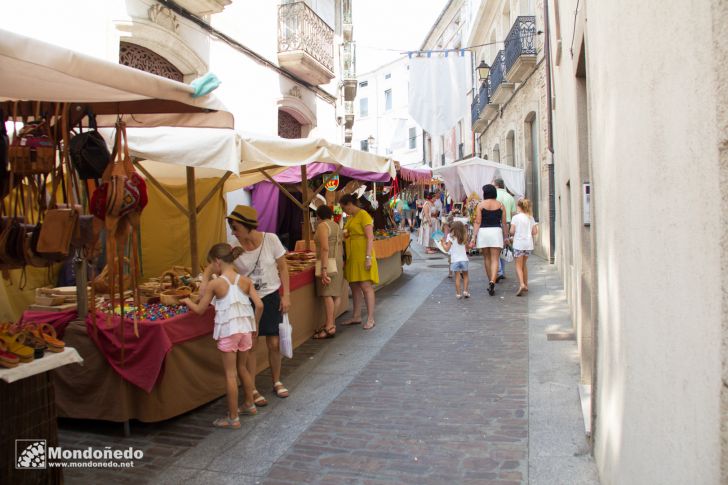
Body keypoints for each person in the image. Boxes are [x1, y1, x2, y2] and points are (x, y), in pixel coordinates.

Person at [183, 243, 263, 429]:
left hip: (229, 331)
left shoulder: (215, 283)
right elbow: (259, 305)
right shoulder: (245, 280)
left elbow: (201, 309)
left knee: (230, 374)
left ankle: (233, 418)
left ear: (217, 262)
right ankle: (250, 404)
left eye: (212, 263)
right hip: (245, 329)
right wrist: (255, 326)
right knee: (242, 368)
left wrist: (187, 301)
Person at [226, 205, 291, 403]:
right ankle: (252, 388)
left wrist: (286, 295)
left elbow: (283, 267)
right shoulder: (232, 246)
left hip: (271, 296)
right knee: (251, 345)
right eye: (231, 227)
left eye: (235, 227)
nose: (233, 232)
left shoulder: (271, 239)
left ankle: (277, 381)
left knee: (273, 342)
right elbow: (227, 272)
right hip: (248, 300)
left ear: (248, 226)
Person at [339, 193, 379, 330]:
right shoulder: (352, 217)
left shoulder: (364, 215)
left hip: (363, 255)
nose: (344, 211)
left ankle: (370, 318)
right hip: (353, 256)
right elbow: (348, 233)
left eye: (344, 208)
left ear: (350, 204)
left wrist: (368, 258)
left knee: (366, 287)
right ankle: (356, 316)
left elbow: (370, 237)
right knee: (354, 286)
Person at [471, 184, 509, 296]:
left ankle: (490, 281)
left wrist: (473, 237)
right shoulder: (501, 205)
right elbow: (504, 223)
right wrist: (506, 237)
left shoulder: (480, 205)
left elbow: (477, 222)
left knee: (487, 258)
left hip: (484, 232)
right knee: (495, 259)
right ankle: (493, 280)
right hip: (496, 232)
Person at [312, 205, 343, 339]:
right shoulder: (336, 225)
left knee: (327, 293)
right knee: (336, 294)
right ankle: (330, 324)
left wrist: (324, 269)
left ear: (318, 216)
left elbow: (324, 248)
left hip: (327, 261)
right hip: (337, 260)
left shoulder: (322, 226)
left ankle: (329, 327)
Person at [510, 198, 538, 296]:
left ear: (519, 207)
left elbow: (512, 231)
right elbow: (535, 232)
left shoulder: (515, 218)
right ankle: (526, 284)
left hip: (518, 244)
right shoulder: (531, 218)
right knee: (524, 265)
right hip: (528, 244)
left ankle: (521, 284)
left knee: (518, 266)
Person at [494, 178, 517, 282]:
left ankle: (499, 271)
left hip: (497, 224)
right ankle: (502, 270)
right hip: (507, 224)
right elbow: (513, 215)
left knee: (496, 248)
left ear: (496, 186)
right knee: (504, 248)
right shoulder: (510, 197)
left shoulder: (494, 196)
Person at [442, 221, 470, 299]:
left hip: (455, 261)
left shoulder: (451, 237)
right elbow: (468, 247)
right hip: (464, 259)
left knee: (457, 277)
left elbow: (447, 249)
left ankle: (458, 294)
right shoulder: (464, 237)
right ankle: (465, 291)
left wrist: (442, 243)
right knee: (465, 276)